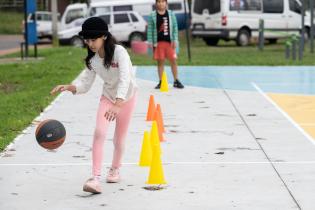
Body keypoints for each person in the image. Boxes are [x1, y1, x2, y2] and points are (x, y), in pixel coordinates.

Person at [50, 17, 137, 194]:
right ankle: (95, 178)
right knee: (99, 132)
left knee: (118, 140)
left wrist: (119, 104)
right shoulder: (93, 60)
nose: (90, 44)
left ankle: (115, 169)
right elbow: (85, 85)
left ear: (104, 36)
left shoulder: (120, 52)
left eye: (93, 39)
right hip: (107, 97)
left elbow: (125, 79)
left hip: (127, 98)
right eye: (87, 40)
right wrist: (70, 87)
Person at [147, 0, 184, 89]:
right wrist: (150, 42)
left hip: (169, 43)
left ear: (166, 3)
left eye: (163, 2)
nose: (161, 3)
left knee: (173, 61)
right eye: (159, 2)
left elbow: (175, 27)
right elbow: (150, 29)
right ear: (156, 3)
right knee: (160, 62)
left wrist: (175, 39)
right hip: (158, 43)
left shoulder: (171, 14)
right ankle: (161, 81)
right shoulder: (152, 15)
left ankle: (176, 80)